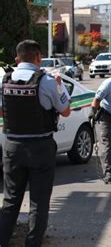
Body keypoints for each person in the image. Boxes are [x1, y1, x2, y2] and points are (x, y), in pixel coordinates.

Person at [0, 40, 71, 246]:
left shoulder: (5, 80)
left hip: (12, 147)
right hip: (40, 148)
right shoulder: (47, 81)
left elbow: (2, 112)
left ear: (18, 58)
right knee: (38, 203)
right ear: (38, 57)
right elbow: (65, 110)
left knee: (10, 201)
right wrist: (60, 86)